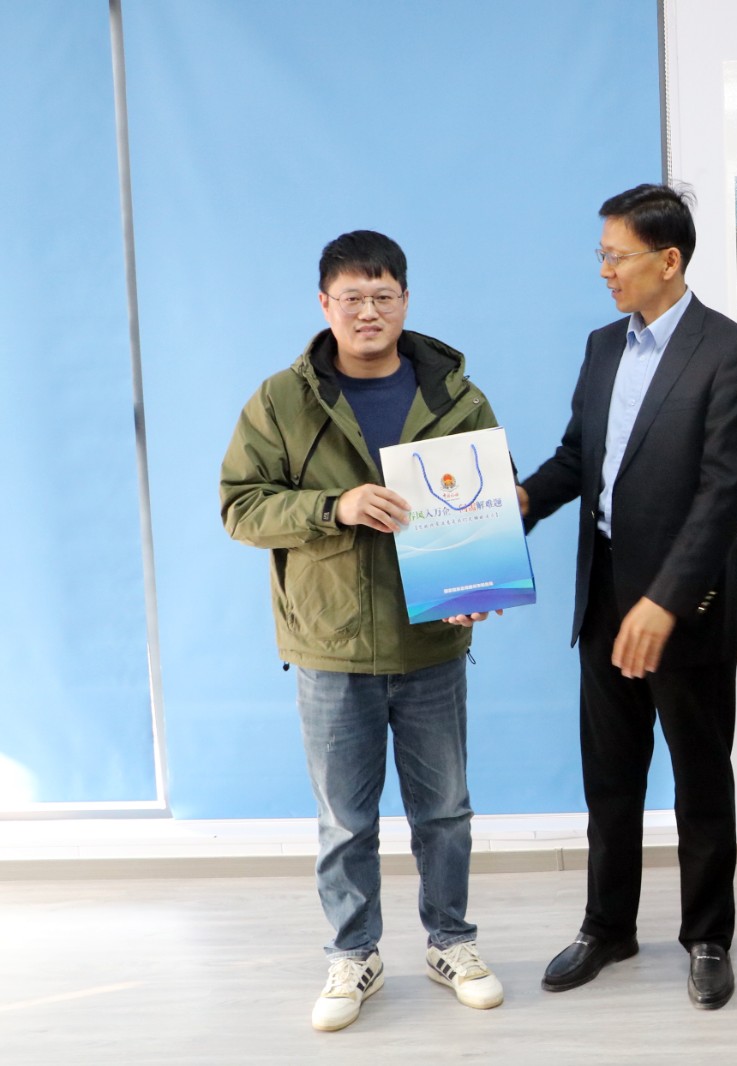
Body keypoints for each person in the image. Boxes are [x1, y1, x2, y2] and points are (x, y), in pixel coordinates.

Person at [221, 230, 505, 1032]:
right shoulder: (281, 400)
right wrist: (333, 506)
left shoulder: (456, 397)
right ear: (325, 305)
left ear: (405, 300)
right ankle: (354, 954)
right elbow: (240, 506)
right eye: (352, 298)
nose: (368, 311)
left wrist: (476, 584)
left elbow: (484, 503)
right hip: (330, 643)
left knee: (444, 812)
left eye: (383, 296)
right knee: (345, 821)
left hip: (430, 643)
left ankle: (452, 942)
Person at [517, 183, 737, 1011]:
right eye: (601, 255)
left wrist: (666, 599)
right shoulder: (602, 348)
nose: (604, 270)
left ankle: (708, 937)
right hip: (603, 600)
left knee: (701, 782)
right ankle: (607, 927)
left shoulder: (731, 352)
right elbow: (578, 456)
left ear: (669, 260)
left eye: (615, 256)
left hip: (685, 610)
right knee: (611, 779)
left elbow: (725, 493)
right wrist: (519, 501)